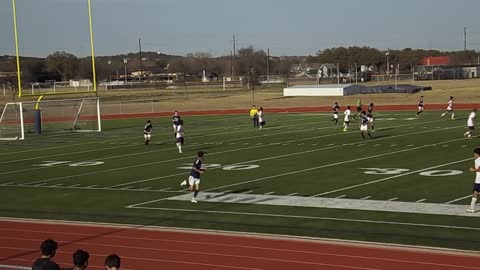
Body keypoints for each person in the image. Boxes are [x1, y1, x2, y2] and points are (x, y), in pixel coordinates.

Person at [467, 148, 480, 213]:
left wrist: (473, 170)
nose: (474, 154)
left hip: (479, 180)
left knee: (475, 192)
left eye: (475, 153)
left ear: (478, 154)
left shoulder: (478, 160)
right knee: (475, 192)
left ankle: (472, 208)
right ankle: (471, 208)